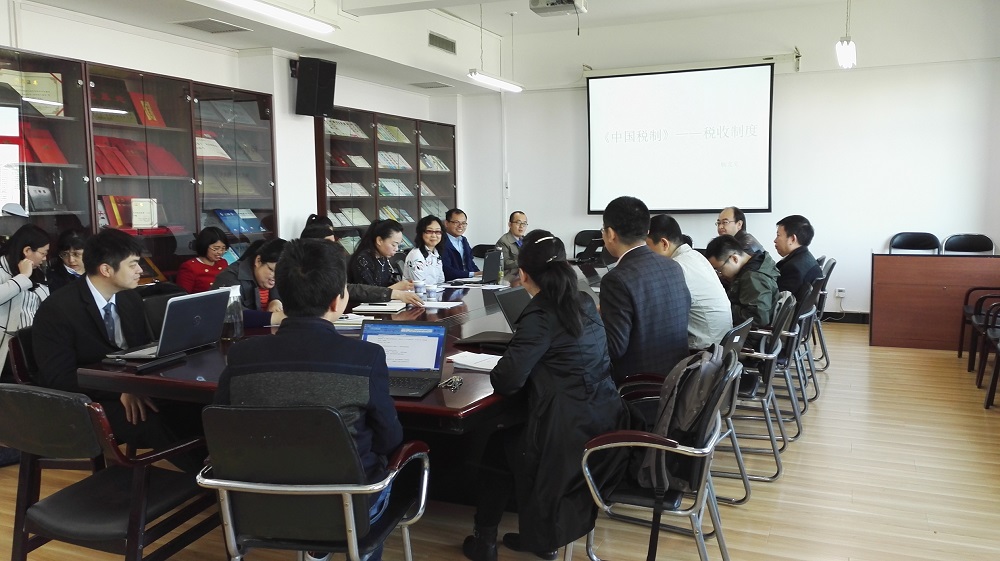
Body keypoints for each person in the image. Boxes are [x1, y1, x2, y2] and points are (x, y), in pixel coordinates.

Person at [215, 238, 402, 561]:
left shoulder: (242, 355)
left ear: (283, 296)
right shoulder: (366, 357)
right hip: (346, 505)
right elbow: (390, 439)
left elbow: (222, 427)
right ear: (337, 301)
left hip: (259, 505)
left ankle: (318, 550)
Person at [462, 230, 626, 561]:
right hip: (602, 416)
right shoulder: (584, 302)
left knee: (495, 445)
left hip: (562, 431)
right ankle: (543, 538)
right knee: (510, 434)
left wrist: (513, 355)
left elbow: (506, 382)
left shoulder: (540, 314)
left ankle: (486, 541)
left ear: (522, 275)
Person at [32, 228, 203, 471]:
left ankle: (225, 470)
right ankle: (207, 478)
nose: (140, 270)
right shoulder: (58, 309)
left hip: (128, 388)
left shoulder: (128, 298)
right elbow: (59, 378)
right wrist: (119, 389)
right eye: (133, 264)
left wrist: (136, 385)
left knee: (193, 404)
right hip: (85, 402)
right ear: (106, 269)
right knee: (153, 418)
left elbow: (140, 350)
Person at [599, 196, 690, 383]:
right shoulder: (673, 266)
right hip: (677, 379)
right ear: (646, 231)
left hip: (637, 386)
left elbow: (614, 348)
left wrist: (594, 320)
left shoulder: (616, 279)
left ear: (610, 234)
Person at [647, 214, 733, 349]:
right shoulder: (694, 256)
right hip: (721, 342)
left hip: (704, 350)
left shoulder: (677, 266)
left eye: (648, 246)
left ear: (664, 243)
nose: (647, 253)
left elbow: (663, 315)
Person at [300, 224, 424, 307]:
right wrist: (395, 291)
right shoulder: (362, 259)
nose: (335, 247)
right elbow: (356, 291)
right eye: (329, 243)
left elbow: (347, 289)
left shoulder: (382, 258)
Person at [0, 224, 51, 378]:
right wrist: (22, 277)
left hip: (35, 343)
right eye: (43, 253)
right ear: (27, 250)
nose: (44, 258)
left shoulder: (38, 272)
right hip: (7, 348)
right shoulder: (2, 270)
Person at [706, 234, 780, 327]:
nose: (719, 274)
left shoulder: (753, 277)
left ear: (734, 259)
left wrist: (724, 308)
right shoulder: (755, 265)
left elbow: (758, 318)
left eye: (719, 269)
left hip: (748, 334)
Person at [211, 238, 287, 328]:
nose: (276, 276)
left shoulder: (276, 277)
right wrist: (275, 317)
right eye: (272, 270)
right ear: (258, 261)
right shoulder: (229, 277)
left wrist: (276, 300)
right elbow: (232, 313)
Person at [774, 214, 823, 298]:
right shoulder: (805, 257)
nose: (775, 240)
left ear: (792, 239)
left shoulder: (793, 268)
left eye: (778, 235)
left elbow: (778, 300)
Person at [348, 219, 405, 287]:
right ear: (379, 240)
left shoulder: (382, 257)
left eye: (398, 245)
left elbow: (387, 282)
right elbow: (369, 291)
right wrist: (396, 287)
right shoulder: (363, 260)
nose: (396, 249)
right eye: (393, 245)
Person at [175, 226, 229, 294]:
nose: (220, 252)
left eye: (223, 248)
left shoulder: (223, 262)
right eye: (216, 248)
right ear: (204, 246)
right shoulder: (190, 267)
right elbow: (182, 295)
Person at [403, 215, 445, 285]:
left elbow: (440, 281)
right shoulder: (416, 255)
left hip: (434, 291)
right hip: (416, 291)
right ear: (421, 233)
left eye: (437, 231)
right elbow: (419, 285)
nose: (434, 235)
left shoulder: (436, 253)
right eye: (429, 231)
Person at [440, 208, 480, 281]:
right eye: (456, 222)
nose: (460, 226)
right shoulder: (441, 241)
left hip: (467, 281)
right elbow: (446, 270)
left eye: (463, 223)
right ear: (446, 223)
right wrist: (472, 274)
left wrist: (480, 275)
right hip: (451, 282)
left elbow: (470, 263)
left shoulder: (463, 240)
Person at [46, 228, 87, 293]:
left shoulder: (96, 272)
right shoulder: (53, 278)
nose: (71, 260)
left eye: (76, 254)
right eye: (65, 254)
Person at [496, 211, 528, 275]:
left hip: (524, 275)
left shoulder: (526, 240)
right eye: (518, 223)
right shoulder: (503, 241)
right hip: (510, 277)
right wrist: (524, 261)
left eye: (524, 223)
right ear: (510, 224)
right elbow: (504, 264)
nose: (521, 226)